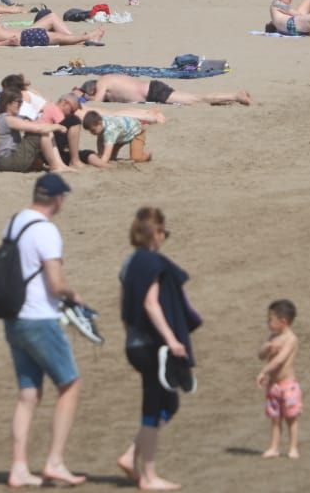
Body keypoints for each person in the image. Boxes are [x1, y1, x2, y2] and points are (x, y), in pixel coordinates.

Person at [1, 174, 87, 488]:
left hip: (13, 318)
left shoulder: (14, 222)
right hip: (39, 319)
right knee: (70, 384)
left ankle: (19, 467)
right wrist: (74, 295)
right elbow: (55, 283)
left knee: (28, 394)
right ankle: (55, 461)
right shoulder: (47, 231)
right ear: (58, 199)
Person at [116, 207, 201, 491]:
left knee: (168, 404)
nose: (164, 237)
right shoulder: (152, 263)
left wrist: (130, 340)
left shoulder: (129, 263)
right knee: (153, 409)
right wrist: (172, 339)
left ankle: (131, 455)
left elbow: (124, 308)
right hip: (153, 345)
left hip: (135, 343)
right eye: (164, 232)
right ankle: (149, 477)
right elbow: (151, 304)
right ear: (155, 233)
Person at [258, 299, 301, 459]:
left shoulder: (291, 339)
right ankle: (274, 447)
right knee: (275, 419)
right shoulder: (272, 337)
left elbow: (279, 360)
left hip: (288, 385)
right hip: (273, 386)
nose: (267, 322)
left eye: (270, 319)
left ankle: (293, 448)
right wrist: (266, 347)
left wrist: (263, 372)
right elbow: (260, 355)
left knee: (291, 418)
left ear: (283, 321)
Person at [0, 1, 106, 48]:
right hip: (25, 38)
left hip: (25, 34)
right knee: (58, 37)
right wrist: (7, 42)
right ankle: (87, 37)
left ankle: (81, 38)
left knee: (52, 18)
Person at [80, 74, 251, 107]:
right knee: (194, 99)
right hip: (152, 88)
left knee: (196, 99)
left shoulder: (102, 82)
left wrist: (85, 99)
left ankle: (236, 95)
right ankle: (233, 96)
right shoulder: (109, 78)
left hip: (153, 92)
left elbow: (97, 101)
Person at [80, 110, 166, 166]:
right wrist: (100, 154)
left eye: (93, 130)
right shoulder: (101, 123)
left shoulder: (110, 130)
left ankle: (147, 156)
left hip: (136, 131)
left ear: (99, 122)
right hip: (121, 135)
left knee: (136, 158)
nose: (92, 133)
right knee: (111, 157)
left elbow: (106, 156)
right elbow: (100, 140)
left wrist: (101, 162)